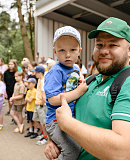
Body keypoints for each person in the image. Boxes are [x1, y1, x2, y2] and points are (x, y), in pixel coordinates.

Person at [45, 17, 130, 160]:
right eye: (99, 45)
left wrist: (67, 123)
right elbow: (60, 111)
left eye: (112, 45)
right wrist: (54, 139)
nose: (104, 51)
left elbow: (122, 152)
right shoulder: (89, 81)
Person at [44, 26, 87, 158]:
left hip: (69, 118)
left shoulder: (75, 68)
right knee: (72, 150)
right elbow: (52, 100)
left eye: (72, 50)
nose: (68, 55)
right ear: (55, 51)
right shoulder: (56, 71)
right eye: (62, 50)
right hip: (56, 121)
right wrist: (78, 92)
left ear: (79, 51)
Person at [33, 66, 48, 145]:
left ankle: (45, 137)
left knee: (43, 121)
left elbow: (43, 94)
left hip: (41, 104)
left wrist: (42, 103)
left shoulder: (43, 81)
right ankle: (43, 133)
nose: (34, 74)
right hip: (37, 102)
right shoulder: (39, 80)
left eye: (36, 72)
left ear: (40, 73)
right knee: (36, 119)